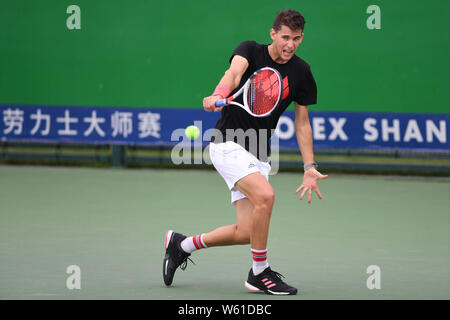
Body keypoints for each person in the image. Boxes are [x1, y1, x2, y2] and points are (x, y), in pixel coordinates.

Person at [163, 9, 328, 295]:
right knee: (266, 196)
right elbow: (233, 73)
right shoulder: (249, 50)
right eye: (286, 37)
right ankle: (259, 274)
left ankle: (181, 245)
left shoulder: (301, 72)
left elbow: (302, 123)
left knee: (248, 232)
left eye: (297, 39)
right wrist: (218, 92)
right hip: (228, 143)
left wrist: (308, 165)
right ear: (273, 33)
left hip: (258, 155)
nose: (291, 44)